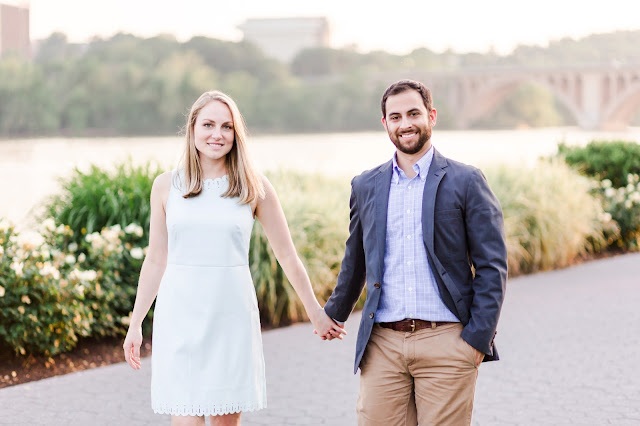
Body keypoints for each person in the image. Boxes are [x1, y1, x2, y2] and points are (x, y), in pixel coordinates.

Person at [123, 90, 345, 426]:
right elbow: (156, 259)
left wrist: (315, 312)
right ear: (193, 128)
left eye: (226, 127)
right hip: (179, 316)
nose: (217, 134)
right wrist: (136, 323)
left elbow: (286, 254)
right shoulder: (166, 185)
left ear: (236, 134)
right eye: (208, 124)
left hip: (230, 316)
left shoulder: (254, 186)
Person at [321, 79, 508, 425]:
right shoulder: (365, 185)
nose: (404, 123)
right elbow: (356, 259)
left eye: (413, 113)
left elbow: (492, 265)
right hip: (383, 345)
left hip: (448, 341)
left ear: (431, 116)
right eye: (395, 117)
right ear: (385, 124)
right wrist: (334, 313)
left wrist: (476, 341)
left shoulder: (466, 181)